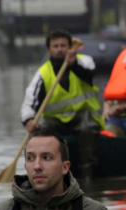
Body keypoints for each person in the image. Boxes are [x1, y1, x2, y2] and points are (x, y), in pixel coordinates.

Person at [21, 29, 103, 179]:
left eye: (63, 45)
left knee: (87, 128)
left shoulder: (84, 61)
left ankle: (89, 174)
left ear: (70, 47)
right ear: (49, 50)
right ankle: (46, 174)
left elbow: (90, 76)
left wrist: (73, 65)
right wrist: (28, 120)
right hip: (56, 121)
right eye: (56, 46)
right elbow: (29, 102)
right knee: (40, 135)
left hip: (83, 115)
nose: (60, 49)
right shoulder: (42, 74)